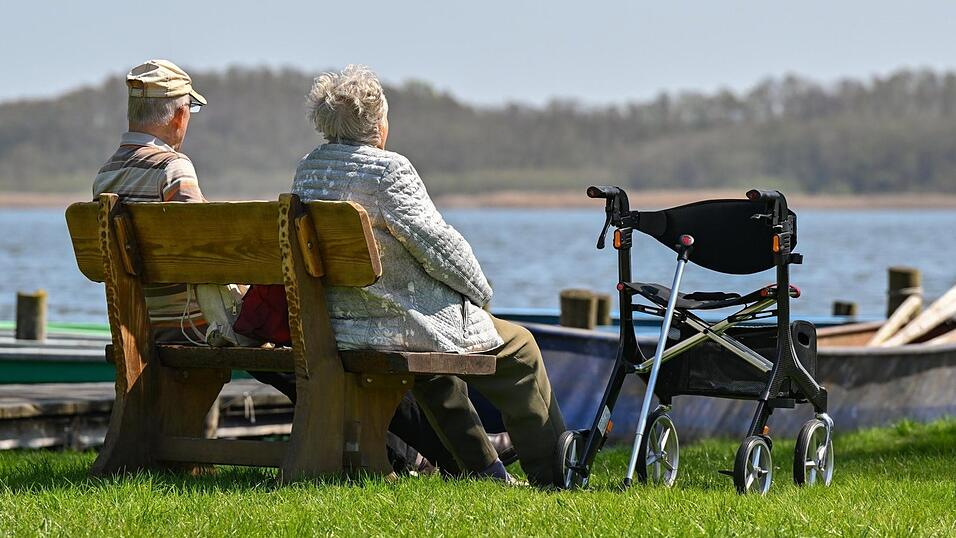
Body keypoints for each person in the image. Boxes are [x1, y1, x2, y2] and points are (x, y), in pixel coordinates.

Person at [292, 65, 567, 487]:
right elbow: (441, 249)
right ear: (376, 124)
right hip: (391, 325)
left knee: (435, 366)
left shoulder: (309, 170)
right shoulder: (388, 172)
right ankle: (556, 477)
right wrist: (481, 294)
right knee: (522, 351)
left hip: (338, 324)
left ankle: (484, 472)